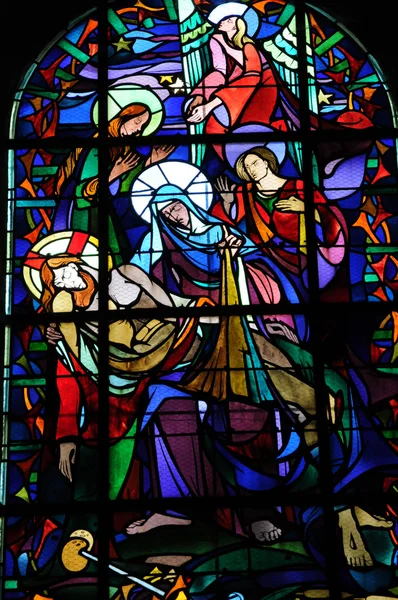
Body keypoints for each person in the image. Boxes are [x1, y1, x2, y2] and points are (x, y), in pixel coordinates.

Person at [213, 146, 347, 305]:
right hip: (267, 261)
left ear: (266, 162)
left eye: (255, 163)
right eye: (247, 167)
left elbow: (329, 218)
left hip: (305, 256)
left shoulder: (299, 187)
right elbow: (227, 224)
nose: (251, 170)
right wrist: (228, 204)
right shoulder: (246, 192)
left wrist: (306, 208)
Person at [52, 103, 174, 263]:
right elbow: (82, 192)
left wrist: (150, 163)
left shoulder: (122, 149)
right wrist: (113, 174)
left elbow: (126, 182)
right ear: (120, 118)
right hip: (84, 215)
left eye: (143, 125)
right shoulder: (96, 149)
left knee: (116, 253)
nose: (139, 129)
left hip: (105, 208)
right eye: (137, 122)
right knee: (92, 256)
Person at [185, 6, 285, 160]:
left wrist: (210, 105)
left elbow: (253, 78)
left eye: (228, 19)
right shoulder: (216, 40)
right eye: (223, 19)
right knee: (213, 127)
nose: (222, 22)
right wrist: (201, 95)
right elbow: (220, 71)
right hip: (234, 89)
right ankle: (236, 164)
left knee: (250, 129)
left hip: (261, 90)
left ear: (238, 24)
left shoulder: (249, 46)